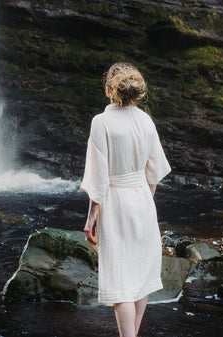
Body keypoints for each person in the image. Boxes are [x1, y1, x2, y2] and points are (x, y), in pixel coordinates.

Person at [80, 62, 171, 337]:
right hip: (143, 200)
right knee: (140, 277)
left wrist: (91, 218)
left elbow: (98, 177)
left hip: (115, 203)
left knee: (122, 282)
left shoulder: (101, 122)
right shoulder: (146, 121)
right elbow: (154, 172)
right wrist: (144, 200)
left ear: (109, 90)